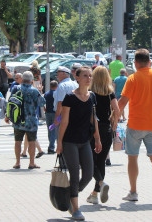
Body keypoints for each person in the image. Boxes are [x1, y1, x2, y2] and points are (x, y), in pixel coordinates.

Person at [117, 49, 152, 205]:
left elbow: (122, 102)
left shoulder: (132, 79)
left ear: (135, 63)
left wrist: (114, 118)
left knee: (132, 158)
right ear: (149, 62)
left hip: (135, 125)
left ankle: (133, 192)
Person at [56, 66, 102, 221]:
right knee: (75, 175)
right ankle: (75, 209)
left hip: (85, 141)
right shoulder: (70, 97)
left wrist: (97, 138)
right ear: (77, 77)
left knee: (88, 174)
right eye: (85, 76)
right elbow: (64, 121)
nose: (88, 78)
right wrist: (59, 142)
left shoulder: (92, 96)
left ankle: (70, 194)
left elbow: (93, 118)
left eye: (90, 76)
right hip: (70, 141)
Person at [86, 66, 120, 205]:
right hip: (106, 129)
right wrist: (113, 121)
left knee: (90, 161)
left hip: (92, 129)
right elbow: (117, 110)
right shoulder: (109, 93)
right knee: (101, 162)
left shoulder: (90, 93)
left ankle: (100, 183)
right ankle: (95, 193)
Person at [5, 71, 45, 169]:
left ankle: (18, 162)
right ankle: (31, 163)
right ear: (31, 81)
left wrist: (7, 115)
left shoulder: (15, 88)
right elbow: (41, 103)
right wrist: (40, 91)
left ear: (22, 79)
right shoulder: (34, 91)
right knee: (32, 142)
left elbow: (10, 102)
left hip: (17, 120)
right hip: (31, 121)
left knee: (17, 141)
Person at [44, 80, 58, 154]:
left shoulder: (46, 94)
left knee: (50, 130)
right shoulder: (56, 93)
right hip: (55, 114)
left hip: (48, 113)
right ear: (56, 86)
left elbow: (43, 103)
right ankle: (51, 147)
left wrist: (45, 110)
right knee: (54, 130)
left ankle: (51, 145)